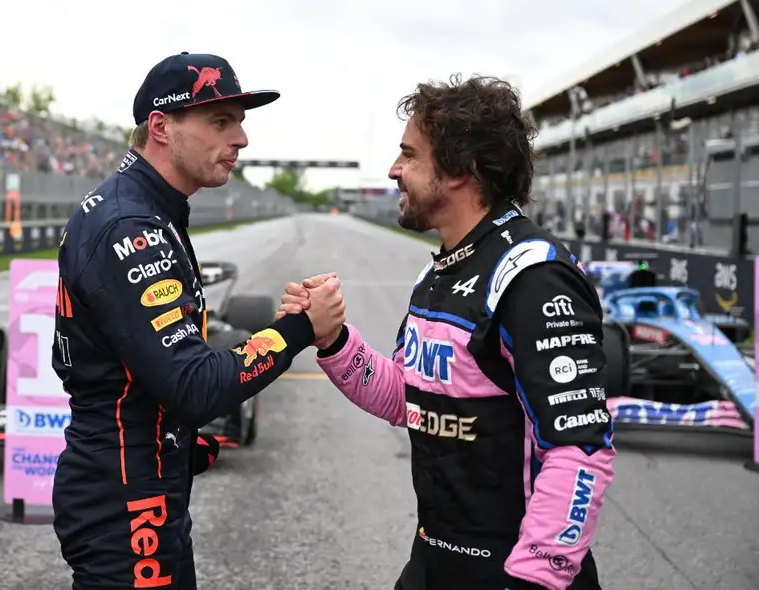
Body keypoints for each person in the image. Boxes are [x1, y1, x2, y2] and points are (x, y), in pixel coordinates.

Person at [278, 74, 615, 590]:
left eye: (409, 155)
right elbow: (406, 399)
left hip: (512, 571)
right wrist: (335, 342)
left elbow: (579, 450)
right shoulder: (441, 270)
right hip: (435, 558)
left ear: (464, 170)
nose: (394, 171)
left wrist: (535, 576)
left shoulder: (531, 275)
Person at [49, 52, 346, 590]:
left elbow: (140, 370)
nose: (241, 139)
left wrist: (178, 439)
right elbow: (193, 386)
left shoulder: (145, 208)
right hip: (126, 498)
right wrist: (299, 329)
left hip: (139, 478)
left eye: (240, 122)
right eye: (220, 121)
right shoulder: (131, 225)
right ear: (162, 127)